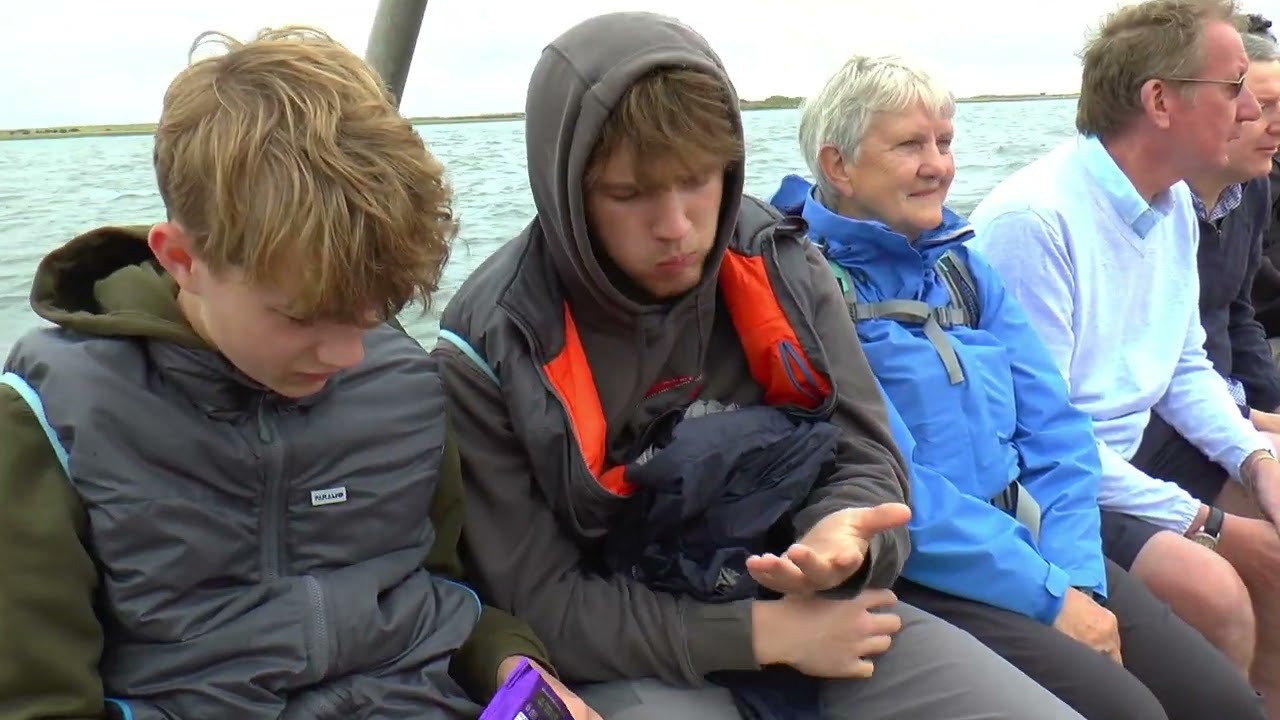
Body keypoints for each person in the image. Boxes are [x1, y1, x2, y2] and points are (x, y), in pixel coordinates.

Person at [433, 10, 1088, 720]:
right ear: (567, 190)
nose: (677, 226)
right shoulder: (495, 340)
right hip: (641, 647)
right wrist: (757, 634)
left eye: (698, 182)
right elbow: (542, 600)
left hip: (822, 612)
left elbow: (866, 453)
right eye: (629, 194)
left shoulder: (782, 260)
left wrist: (844, 534)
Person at [0, 27, 594, 720]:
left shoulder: (406, 384)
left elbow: (438, 596)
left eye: (373, 311)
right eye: (304, 318)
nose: (347, 355)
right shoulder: (49, 418)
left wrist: (514, 669)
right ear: (182, 260)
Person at [768, 51, 1265, 720]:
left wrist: (1077, 579)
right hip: (927, 569)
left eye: (944, 142)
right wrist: (1051, 598)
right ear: (838, 166)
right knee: (1129, 710)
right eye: (910, 145)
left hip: (1039, 544)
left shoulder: (962, 267)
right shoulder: (809, 288)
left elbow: (1056, 431)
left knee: (1222, 701)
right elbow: (889, 474)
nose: (939, 165)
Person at [968, 0, 1280, 713]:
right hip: (1054, 483)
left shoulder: (1170, 206)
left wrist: (1256, 466)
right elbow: (1038, 435)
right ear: (1160, 101)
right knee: (1218, 593)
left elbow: (1183, 367)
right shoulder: (1035, 221)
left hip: (1135, 448)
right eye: (1232, 88)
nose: (1248, 111)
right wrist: (1209, 526)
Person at [1185, 28, 1280, 432]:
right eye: (1263, 106)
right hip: (1180, 424)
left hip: (1225, 403)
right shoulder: (1158, 204)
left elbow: (1238, 315)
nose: (1276, 124)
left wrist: (1272, 410)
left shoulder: (1251, 187)